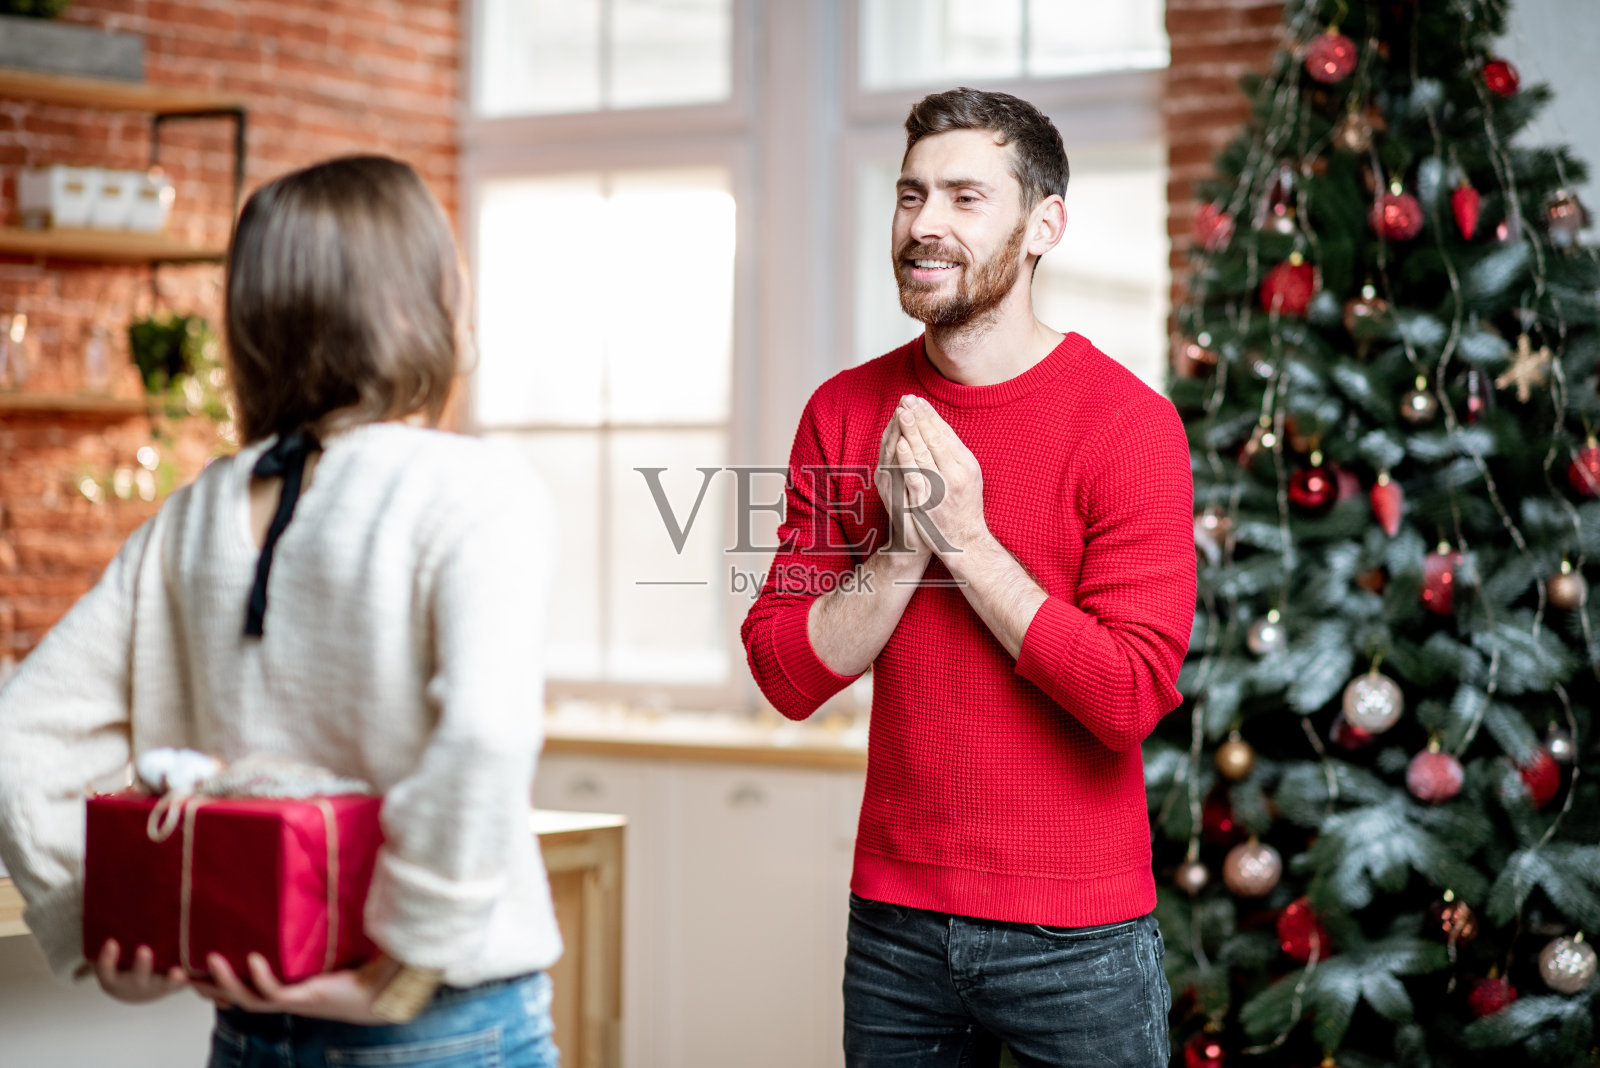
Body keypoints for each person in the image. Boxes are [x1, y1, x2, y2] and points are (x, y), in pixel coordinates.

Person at [0, 156, 562, 1067]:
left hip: (252, 1028)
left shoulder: (192, 512)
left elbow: (21, 730)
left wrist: (98, 926)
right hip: (441, 1027)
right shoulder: (476, 488)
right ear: (417, 305)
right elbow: (488, 733)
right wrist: (407, 960)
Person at [740, 88, 1195, 1067]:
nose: (924, 225)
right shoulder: (846, 412)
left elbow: (1125, 695)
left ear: (1044, 225)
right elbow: (784, 673)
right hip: (895, 928)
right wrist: (902, 550)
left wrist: (965, 538)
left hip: (1078, 946)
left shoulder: (1128, 425)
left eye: (963, 197)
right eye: (909, 197)